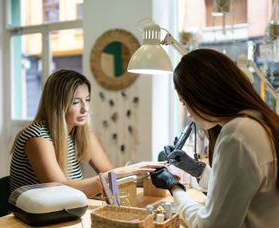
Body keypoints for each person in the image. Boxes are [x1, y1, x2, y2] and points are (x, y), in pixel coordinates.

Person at [150, 49, 279, 228]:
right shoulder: (266, 124)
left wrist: (175, 189)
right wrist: (198, 170)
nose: (189, 113)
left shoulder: (238, 134)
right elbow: (242, 189)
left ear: (204, 95)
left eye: (185, 103)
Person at [10, 69, 164, 197]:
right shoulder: (37, 138)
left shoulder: (82, 132)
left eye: (87, 99)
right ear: (58, 105)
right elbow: (60, 191)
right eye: (76, 102)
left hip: (66, 211)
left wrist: (141, 174)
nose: (85, 108)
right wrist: (122, 172)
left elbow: (109, 174)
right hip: (33, 220)